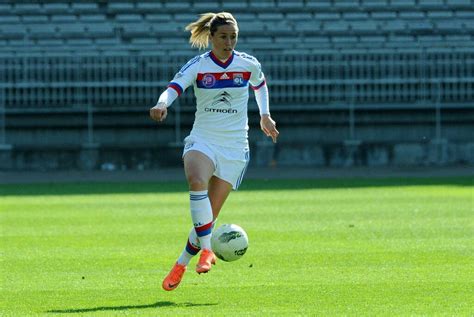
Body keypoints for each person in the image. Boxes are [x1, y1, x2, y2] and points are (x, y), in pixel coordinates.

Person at [149, 12, 279, 291]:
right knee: (196, 181)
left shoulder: (248, 64)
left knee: (207, 217)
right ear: (211, 37)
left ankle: (181, 263)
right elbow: (174, 87)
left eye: (233, 37)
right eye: (223, 36)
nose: (229, 42)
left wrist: (265, 116)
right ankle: (207, 250)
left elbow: (260, 85)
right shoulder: (198, 65)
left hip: (234, 147)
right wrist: (162, 105)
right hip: (203, 139)